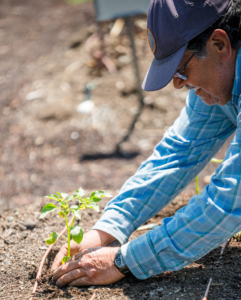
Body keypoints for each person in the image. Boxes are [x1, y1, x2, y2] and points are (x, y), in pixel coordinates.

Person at [51, 0, 241, 287]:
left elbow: (229, 201)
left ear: (219, 44)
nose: (178, 85)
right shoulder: (220, 76)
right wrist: (108, 229)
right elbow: (179, 152)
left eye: (181, 70)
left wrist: (123, 260)